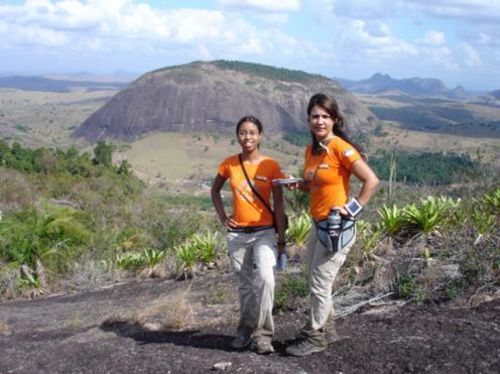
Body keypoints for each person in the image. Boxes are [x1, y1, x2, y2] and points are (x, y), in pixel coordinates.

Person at [285, 93, 380, 357]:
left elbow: (371, 180)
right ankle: (329, 328)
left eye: (325, 116)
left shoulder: (340, 147)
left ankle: (316, 336)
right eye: (315, 116)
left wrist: (352, 208)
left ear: (334, 119)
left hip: (337, 226)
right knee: (313, 278)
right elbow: (317, 185)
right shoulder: (312, 150)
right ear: (309, 119)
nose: (319, 121)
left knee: (319, 281)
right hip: (317, 224)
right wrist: (299, 185)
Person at [211, 115, 287, 355]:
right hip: (237, 234)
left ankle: (264, 334)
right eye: (243, 132)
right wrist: (223, 217)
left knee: (266, 278)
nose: (247, 137)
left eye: (252, 132)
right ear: (238, 136)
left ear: (260, 136)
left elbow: (280, 204)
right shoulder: (229, 164)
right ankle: (245, 330)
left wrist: (282, 240)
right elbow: (215, 189)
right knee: (244, 286)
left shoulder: (271, 165)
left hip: (264, 232)